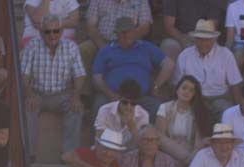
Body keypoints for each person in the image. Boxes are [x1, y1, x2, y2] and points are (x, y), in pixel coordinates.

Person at [21, 15, 87, 158]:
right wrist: (29, 94)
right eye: (47, 31)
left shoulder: (71, 47)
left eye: (56, 31)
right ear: (41, 32)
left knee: (76, 110)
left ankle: (69, 154)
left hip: (63, 94)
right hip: (37, 93)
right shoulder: (32, 46)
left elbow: (80, 74)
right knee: (27, 108)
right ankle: (28, 154)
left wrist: (76, 97)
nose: (52, 35)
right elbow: (24, 75)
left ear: (61, 31)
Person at [92, 16, 172, 118]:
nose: (127, 35)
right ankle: (100, 134)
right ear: (116, 34)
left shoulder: (146, 47)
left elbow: (169, 64)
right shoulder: (106, 50)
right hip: (113, 97)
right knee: (99, 107)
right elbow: (96, 77)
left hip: (141, 97)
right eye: (123, 32)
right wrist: (110, 94)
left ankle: (153, 134)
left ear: (134, 32)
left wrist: (156, 86)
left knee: (159, 108)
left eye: (129, 31)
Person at [174, 20, 243, 118]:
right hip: (193, 98)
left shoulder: (226, 55)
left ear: (214, 39)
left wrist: (238, 111)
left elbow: (235, 84)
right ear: (195, 39)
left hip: (220, 98)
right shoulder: (185, 55)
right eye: (200, 39)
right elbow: (176, 84)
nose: (203, 43)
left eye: (207, 39)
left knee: (227, 113)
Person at [82, 0, 153, 71]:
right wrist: (104, 48)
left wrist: (126, 42)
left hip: (129, 43)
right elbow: (90, 26)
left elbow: (145, 27)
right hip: (101, 42)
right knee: (84, 49)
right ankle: (85, 82)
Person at [156, 74, 210, 166]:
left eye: (191, 90)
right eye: (184, 88)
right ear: (177, 90)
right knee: (158, 135)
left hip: (189, 151)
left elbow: (197, 144)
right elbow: (161, 137)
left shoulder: (197, 112)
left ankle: (187, 161)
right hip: (169, 150)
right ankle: (188, 161)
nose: (186, 92)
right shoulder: (164, 107)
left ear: (194, 95)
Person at [160, 0, 225, 62]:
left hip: (204, 34)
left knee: (215, 50)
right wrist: (183, 39)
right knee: (169, 46)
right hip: (180, 35)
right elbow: (169, 26)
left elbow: (212, 25)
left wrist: (200, 41)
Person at [94, 79, 149, 146]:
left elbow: (142, 146)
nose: (128, 107)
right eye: (125, 102)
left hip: (130, 153)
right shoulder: (105, 110)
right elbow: (99, 139)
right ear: (119, 98)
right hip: (107, 151)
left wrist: (132, 127)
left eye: (133, 103)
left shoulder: (143, 115)